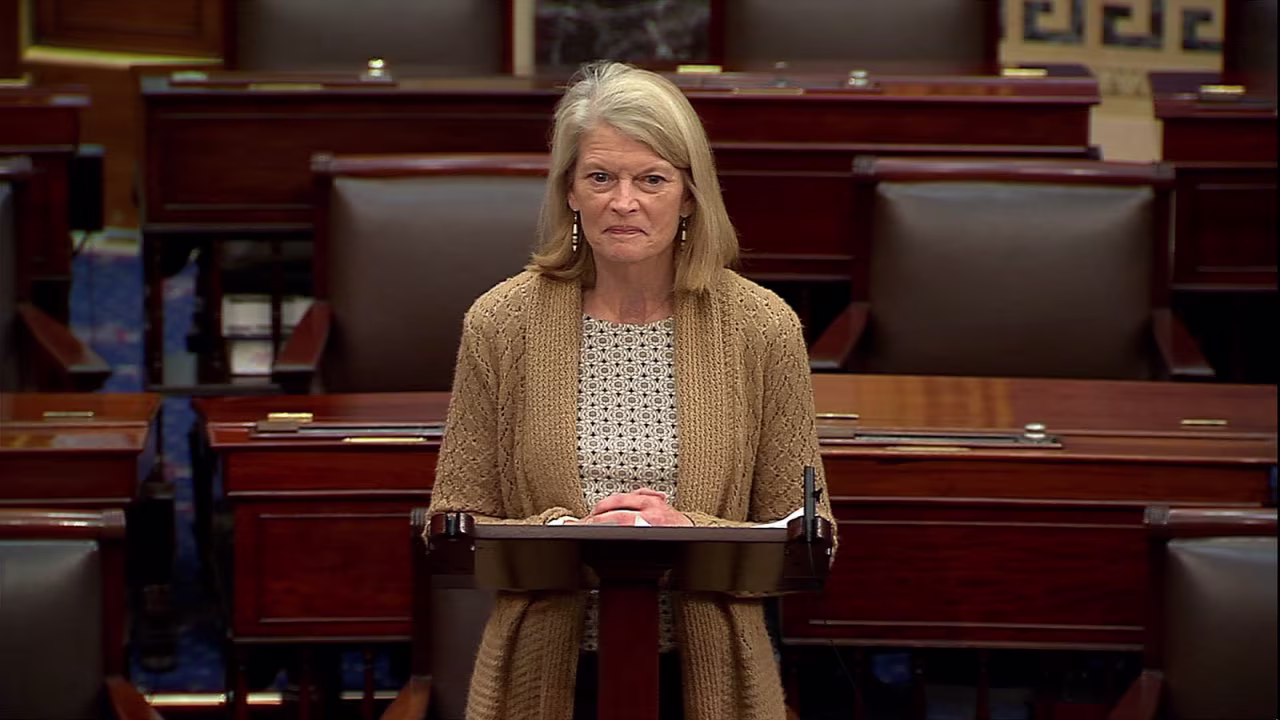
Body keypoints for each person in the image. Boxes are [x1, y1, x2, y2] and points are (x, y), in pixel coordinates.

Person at [427, 60, 835, 720]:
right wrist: (567, 533)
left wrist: (683, 531)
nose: (624, 202)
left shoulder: (762, 326)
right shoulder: (501, 323)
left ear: (690, 193)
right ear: (569, 192)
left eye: (651, 179)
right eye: (600, 177)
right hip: (541, 683)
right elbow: (456, 525)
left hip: (712, 682)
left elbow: (808, 537)